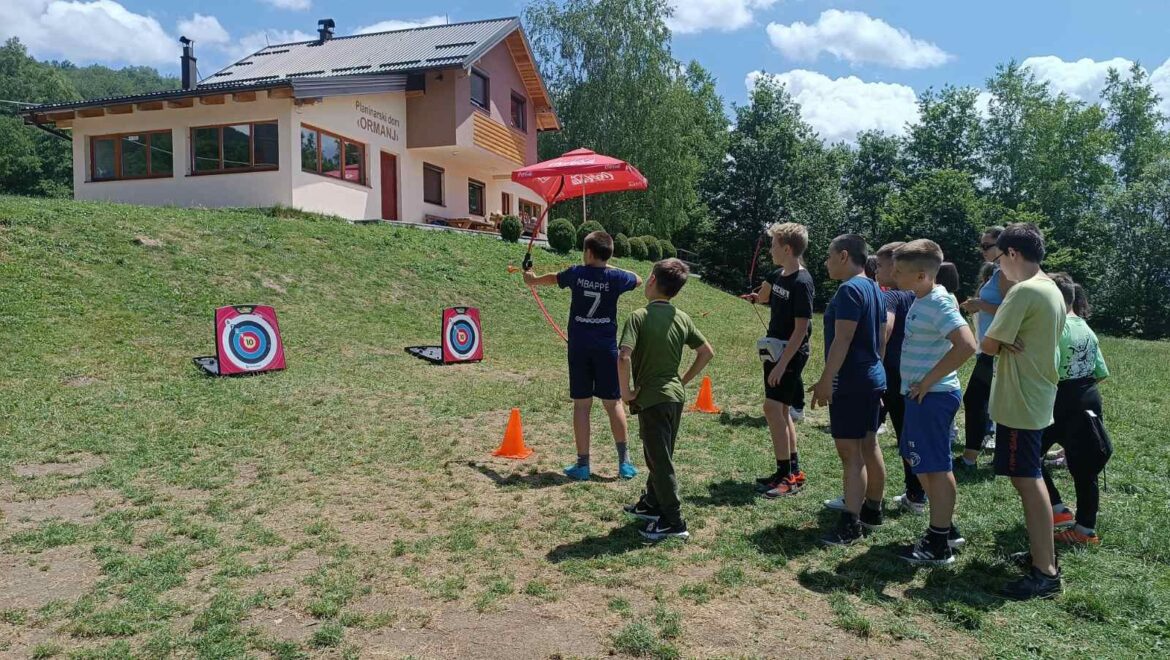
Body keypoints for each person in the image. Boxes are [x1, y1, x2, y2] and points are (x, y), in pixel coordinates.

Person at [982, 222, 1067, 600]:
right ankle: (1040, 554)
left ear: (1012, 254)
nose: (998, 265)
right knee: (1029, 479)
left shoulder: (1023, 292)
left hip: (1020, 401)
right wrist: (1003, 342)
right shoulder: (1052, 289)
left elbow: (986, 344)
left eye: (999, 258)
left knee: (1028, 481)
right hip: (1036, 395)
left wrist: (999, 341)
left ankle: (1045, 571)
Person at [524, 231, 642, 481]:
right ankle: (625, 464)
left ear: (588, 253)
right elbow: (639, 279)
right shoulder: (616, 276)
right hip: (606, 349)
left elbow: (553, 278)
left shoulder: (577, 273)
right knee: (614, 404)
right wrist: (608, 265)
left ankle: (583, 465)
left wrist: (531, 280)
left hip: (579, 349)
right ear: (607, 254)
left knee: (582, 404)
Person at [891, 240, 978, 564]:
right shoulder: (922, 297)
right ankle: (946, 528)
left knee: (936, 468)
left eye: (900, 272)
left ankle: (938, 544)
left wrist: (928, 381)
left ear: (922, 275)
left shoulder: (938, 302)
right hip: (920, 395)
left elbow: (967, 344)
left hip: (934, 396)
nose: (894, 276)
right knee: (921, 462)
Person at [619, 259, 715, 541]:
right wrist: (681, 381)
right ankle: (651, 503)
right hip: (674, 398)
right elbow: (706, 352)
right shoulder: (682, 318)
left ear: (651, 281)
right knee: (660, 454)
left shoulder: (638, 316)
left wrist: (626, 393)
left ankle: (674, 521)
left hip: (652, 400)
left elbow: (623, 356)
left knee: (659, 460)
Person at [809, 234, 888, 546]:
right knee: (869, 445)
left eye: (829, 256)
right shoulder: (874, 288)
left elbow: (842, 339)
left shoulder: (849, 290)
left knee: (850, 455)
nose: (826, 263)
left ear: (843, 256)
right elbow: (881, 338)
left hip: (851, 381)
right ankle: (873, 510)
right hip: (871, 377)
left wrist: (828, 379)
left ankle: (850, 523)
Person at [742, 222, 815, 498]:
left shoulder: (802, 282)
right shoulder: (781, 275)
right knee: (781, 411)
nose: (770, 249)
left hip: (790, 352)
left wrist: (783, 363)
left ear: (787, 248)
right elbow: (766, 298)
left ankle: (786, 476)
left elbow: (801, 330)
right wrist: (757, 297)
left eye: (773, 245)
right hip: (775, 348)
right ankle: (789, 470)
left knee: (772, 408)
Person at [1041, 273, 1111, 545]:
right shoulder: (1084, 326)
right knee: (1085, 469)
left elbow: (1047, 369)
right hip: (1087, 398)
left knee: (1028, 457)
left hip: (1059, 399)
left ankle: (1076, 524)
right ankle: (1076, 523)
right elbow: (1100, 371)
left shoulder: (1056, 328)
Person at [958, 227, 1012, 469]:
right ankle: (979, 455)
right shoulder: (999, 272)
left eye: (986, 246)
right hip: (990, 347)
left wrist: (981, 304)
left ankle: (971, 458)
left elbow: (1012, 312)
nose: (982, 251)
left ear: (1002, 247)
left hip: (996, 348)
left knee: (977, 399)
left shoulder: (1005, 275)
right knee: (982, 400)